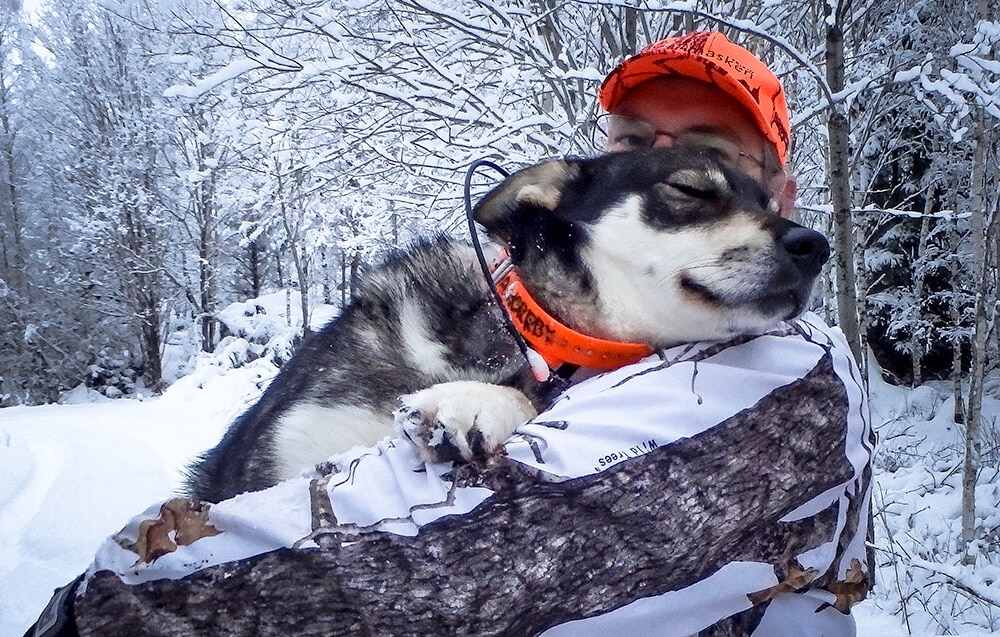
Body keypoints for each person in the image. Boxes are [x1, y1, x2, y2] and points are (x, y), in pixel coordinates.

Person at [23, 31, 874, 637]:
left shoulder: (780, 375)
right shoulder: (422, 324)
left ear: (783, 204)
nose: (656, 163)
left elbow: (433, 570)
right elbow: (248, 504)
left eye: (703, 160)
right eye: (629, 143)